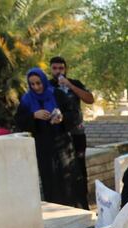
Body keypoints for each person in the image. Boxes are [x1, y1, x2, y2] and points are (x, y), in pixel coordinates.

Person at [15, 67, 85, 209]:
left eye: (39, 83)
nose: (36, 87)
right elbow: (18, 121)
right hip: (43, 146)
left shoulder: (57, 94)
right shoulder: (27, 100)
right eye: (33, 84)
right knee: (50, 180)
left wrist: (62, 117)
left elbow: (75, 114)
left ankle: (74, 210)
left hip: (63, 144)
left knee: (69, 179)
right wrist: (34, 116)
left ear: (44, 81)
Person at [49, 56, 94, 208]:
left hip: (77, 134)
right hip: (59, 136)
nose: (58, 71)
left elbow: (90, 99)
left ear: (65, 69)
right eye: (54, 68)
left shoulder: (75, 83)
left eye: (60, 68)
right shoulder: (47, 86)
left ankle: (83, 203)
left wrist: (71, 86)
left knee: (80, 168)